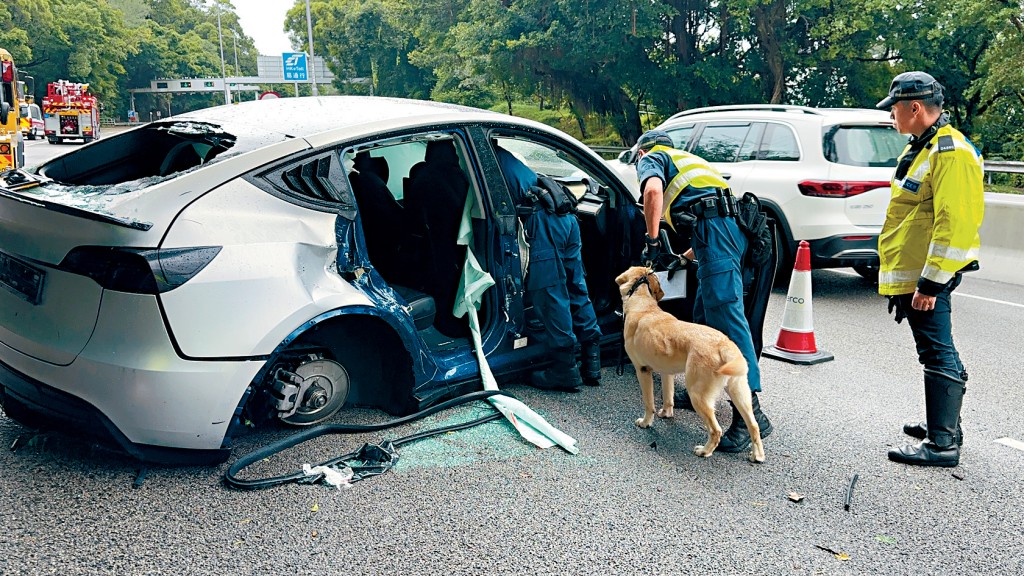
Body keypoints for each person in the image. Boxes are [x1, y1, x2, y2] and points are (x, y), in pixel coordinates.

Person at [635, 129, 771, 453]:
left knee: (727, 324)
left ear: (641, 154)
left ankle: (750, 415)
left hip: (717, 236)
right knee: (702, 321)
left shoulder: (652, 158)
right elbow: (716, 211)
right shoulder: (690, 161)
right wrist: (685, 257)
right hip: (726, 234)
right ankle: (698, 385)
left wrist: (652, 242)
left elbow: (653, 193)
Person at [876, 71, 984, 467]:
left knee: (936, 352)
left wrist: (930, 284)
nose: (891, 117)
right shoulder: (925, 146)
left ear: (914, 108)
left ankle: (942, 444)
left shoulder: (948, 151)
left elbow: (952, 223)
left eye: (894, 109)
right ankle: (946, 426)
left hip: (929, 274)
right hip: (918, 271)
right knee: (937, 349)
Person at [493, 144, 602, 391]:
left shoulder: (484, 159)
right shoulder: (506, 156)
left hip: (545, 222)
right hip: (565, 218)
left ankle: (564, 371)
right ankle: (591, 362)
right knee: (576, 286)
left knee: (551, 293)